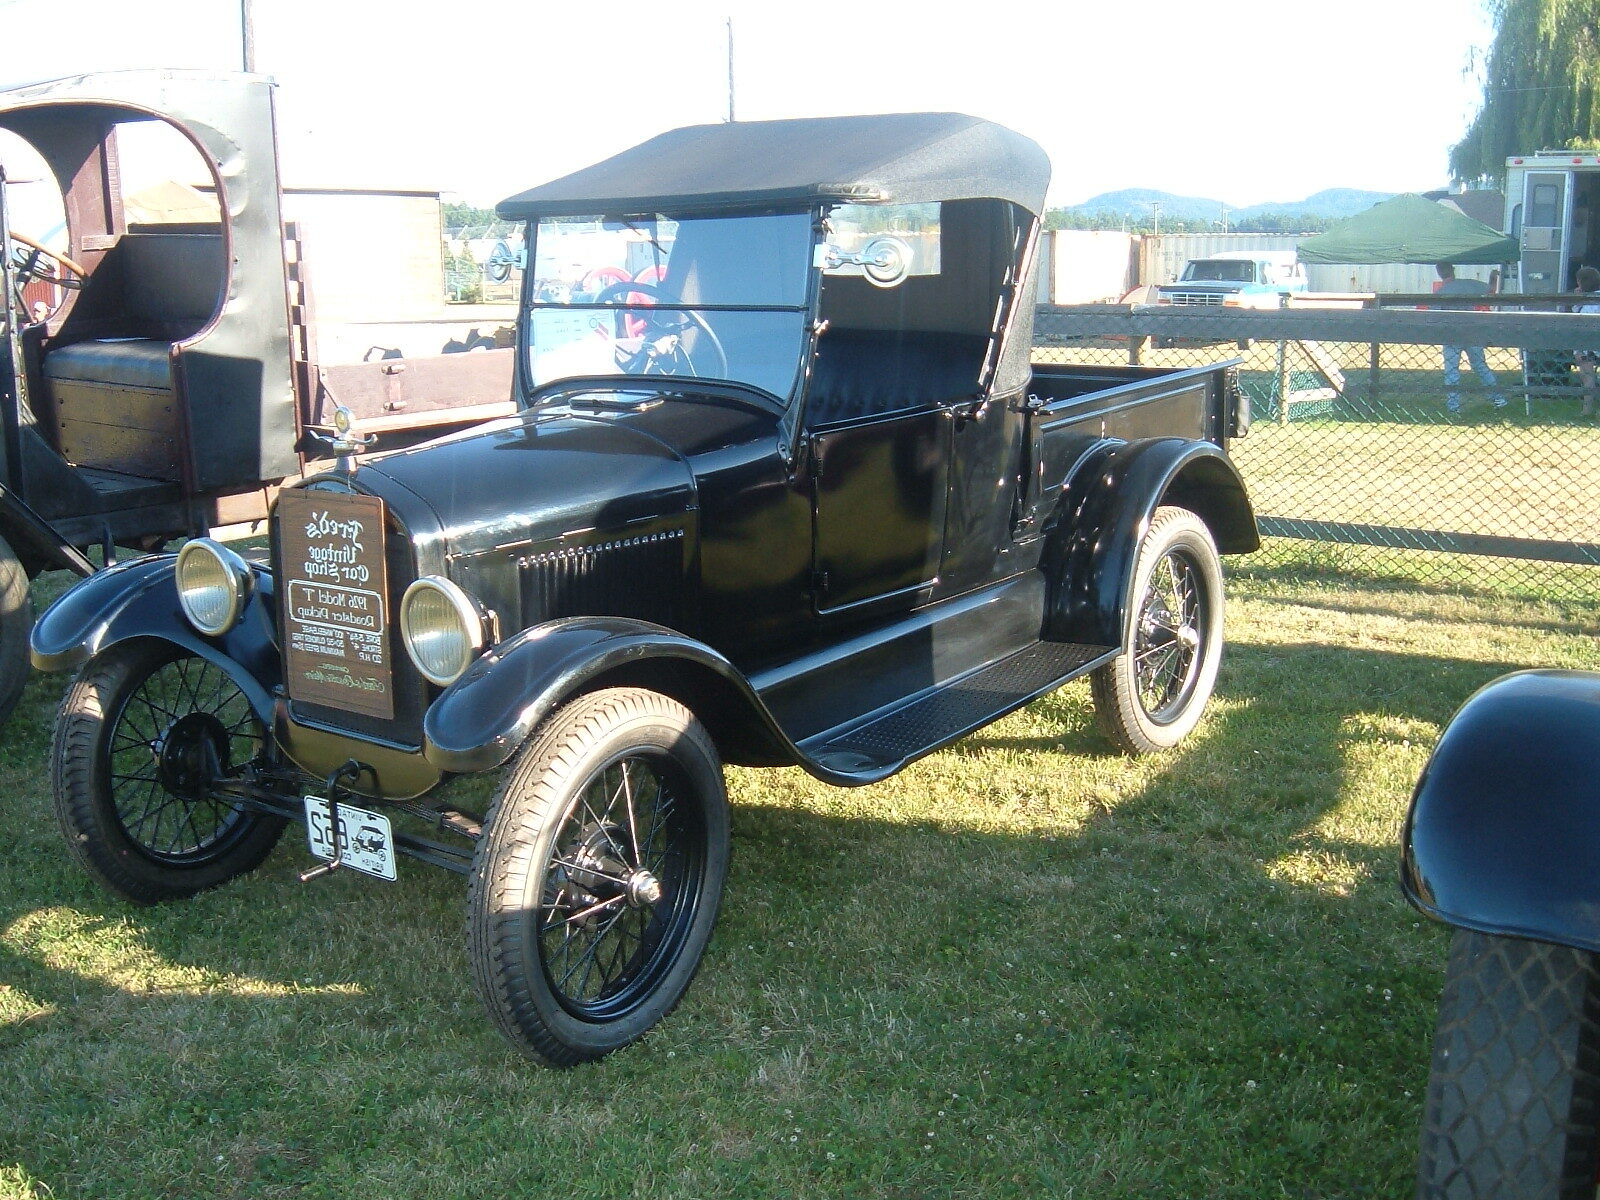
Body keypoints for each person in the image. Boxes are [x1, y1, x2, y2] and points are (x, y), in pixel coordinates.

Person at [1434, 262, 1507, 414]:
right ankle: (1498, 398)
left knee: (1452, 370)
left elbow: (1435, 316)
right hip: (1472, 332)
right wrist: (1492, 277)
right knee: (1480, 366)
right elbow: (1491, 291)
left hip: (1451, 335)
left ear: (1439, 273)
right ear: (1453, 270)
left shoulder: (1441, 292)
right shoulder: (1469, 285)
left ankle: (1453, 407)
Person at [1574, 265, 1600, 418]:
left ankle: (1587, 408)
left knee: (1587, 375)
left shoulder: (1586, 300)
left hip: (1586, 343)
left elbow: (1577, 314)